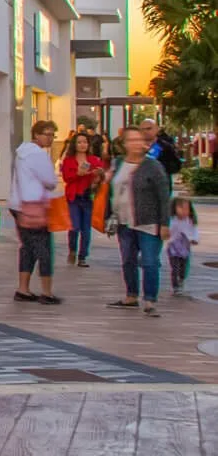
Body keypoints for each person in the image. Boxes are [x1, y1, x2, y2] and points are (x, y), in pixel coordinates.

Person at [106, 123, 172, 317]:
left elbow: (163, 196)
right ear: (124, 143)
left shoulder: (153, 166)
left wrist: (165, 223)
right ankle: (131, 296)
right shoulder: (118, 163)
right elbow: (110, 191)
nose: (136, 144)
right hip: (124, 221)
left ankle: (150, 300)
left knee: (150, 261)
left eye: (139, 140)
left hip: (148, 222)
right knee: (128, 260)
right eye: (132, 140)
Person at [9, 120, 63, 305]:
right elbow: (50, 180)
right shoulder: (38, 155)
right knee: (44, 249)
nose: (50, 138)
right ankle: (47, 291)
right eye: (47, 134)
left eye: (52, 135)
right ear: (37, 134)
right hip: (35, 206)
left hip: (18, 205)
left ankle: (23, 288)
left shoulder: (21, 152)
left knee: (27, 248)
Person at [58, 131, 106, 268]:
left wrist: (98, 175)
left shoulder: (94, 160)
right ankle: (72, 249)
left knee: (86, 229)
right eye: (79, 142)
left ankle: (82, 256)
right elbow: (67, 177)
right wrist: (78, 174)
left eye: (85, 142)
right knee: (74, 226)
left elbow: (101, 177)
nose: (82, 145)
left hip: (88, 196)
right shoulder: (68, 160)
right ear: (75, 144)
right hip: (74, 196)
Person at [167, 197, 200, 296]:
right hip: (173, 247)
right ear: (175, 208)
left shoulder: (190, 221)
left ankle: (181, 280)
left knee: (183, 267)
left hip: (185, 248)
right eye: (181, 208)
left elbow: (194, 231)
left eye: (187, 209)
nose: (184, 211)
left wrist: (194, 239)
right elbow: (169, 232)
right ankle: (175, 286)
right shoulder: (172, 220)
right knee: (175, 267)